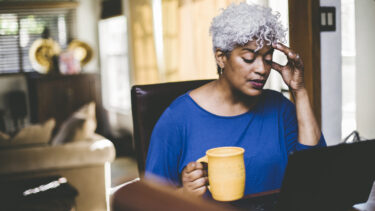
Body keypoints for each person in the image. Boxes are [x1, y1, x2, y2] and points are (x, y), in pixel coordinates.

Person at [145, 2, 326, 197]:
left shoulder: (279, 108)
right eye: (249, 58)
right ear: (221, 58)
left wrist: (299, 90)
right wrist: (183, 195)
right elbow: (146, 202)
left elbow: (315, 172)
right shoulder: (178, 118)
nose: (262, 69)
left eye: (267, 59)